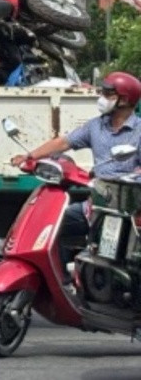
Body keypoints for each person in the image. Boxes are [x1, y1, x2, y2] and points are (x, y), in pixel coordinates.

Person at [10, 71, 141, 274]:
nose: (102, 98)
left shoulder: (139, 131)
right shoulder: (96, 126)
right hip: (95, 203)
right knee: (51, 228)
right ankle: (62, 280)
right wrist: (30, 156)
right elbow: (63, 143)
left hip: (126, 208)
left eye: (108, 94)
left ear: (123, 100)